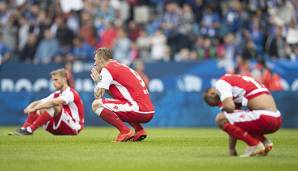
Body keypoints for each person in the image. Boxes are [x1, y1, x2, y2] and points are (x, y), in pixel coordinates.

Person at [203, 74, 282, 157]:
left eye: (218, 102)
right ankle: (264, 142)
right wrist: (232, 149)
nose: (220, 105)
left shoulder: (220, 84)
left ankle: (255, 144)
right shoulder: (235, 82)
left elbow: (230, 107)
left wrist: (225, 109)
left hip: (264, 117)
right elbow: (233, 123)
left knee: (220, 119)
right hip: (276, 118)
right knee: (233, 118)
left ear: (212, 93)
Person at [90, 48, 155, 142]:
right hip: (148, 110)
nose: (94, 64)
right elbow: (116, 95)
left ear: (101, 59)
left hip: (138, 109)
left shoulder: (108, 69)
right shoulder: (121, 66)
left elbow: (98, 96)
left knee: (96, 105)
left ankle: (125, 131)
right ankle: (139, 130)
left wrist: (97, 82)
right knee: (119, 104)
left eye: (95, 60)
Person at [9, 69, 84, 136]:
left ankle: (30, 130)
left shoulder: (70, 92)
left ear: (64, 79)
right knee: (41, 105)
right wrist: (30, 107)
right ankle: (24, 129)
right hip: (60, 126)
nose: (54, 82)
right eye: (53, 80)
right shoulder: (56, 93)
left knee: (52, 105)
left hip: (74, 127)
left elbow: (53, 103)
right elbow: (39, 102)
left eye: (56, 79)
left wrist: (34, 108)